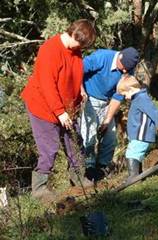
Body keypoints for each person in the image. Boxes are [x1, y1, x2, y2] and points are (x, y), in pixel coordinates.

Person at [21, 19, 96, 202]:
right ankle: (39, 189)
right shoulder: (49, 50)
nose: (82, 48)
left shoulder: (75, 51)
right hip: (43, 107)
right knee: (49, 148)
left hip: (68, 107)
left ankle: (78, 178)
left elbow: (74, 74)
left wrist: (80, 90)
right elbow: (47, 85)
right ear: (74, 34)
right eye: (82, 44)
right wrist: (59, 111)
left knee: (74, 141)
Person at [80, 47, 139, 181]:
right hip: (89, 98)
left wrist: (107, 120)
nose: (124, 71)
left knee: (110, 136)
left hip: (107, 102)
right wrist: (81, 90)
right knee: (89, 135)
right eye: (123, 67)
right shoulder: (102, 57)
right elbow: (77, 69)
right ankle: (88, 169)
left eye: (127, 69)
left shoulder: (128, 69)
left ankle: (102, 168)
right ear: (119, 57)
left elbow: (118, 96)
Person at [116, 75, 158, 181]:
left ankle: (133, 177)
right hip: (138, 134)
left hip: (142, 134)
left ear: (131, 89)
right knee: (136, 154)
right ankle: (138, 175)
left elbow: (154, 112)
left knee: (132, 153)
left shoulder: (142, 98)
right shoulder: (138, 98)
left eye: (125, 94)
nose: (125, 97)